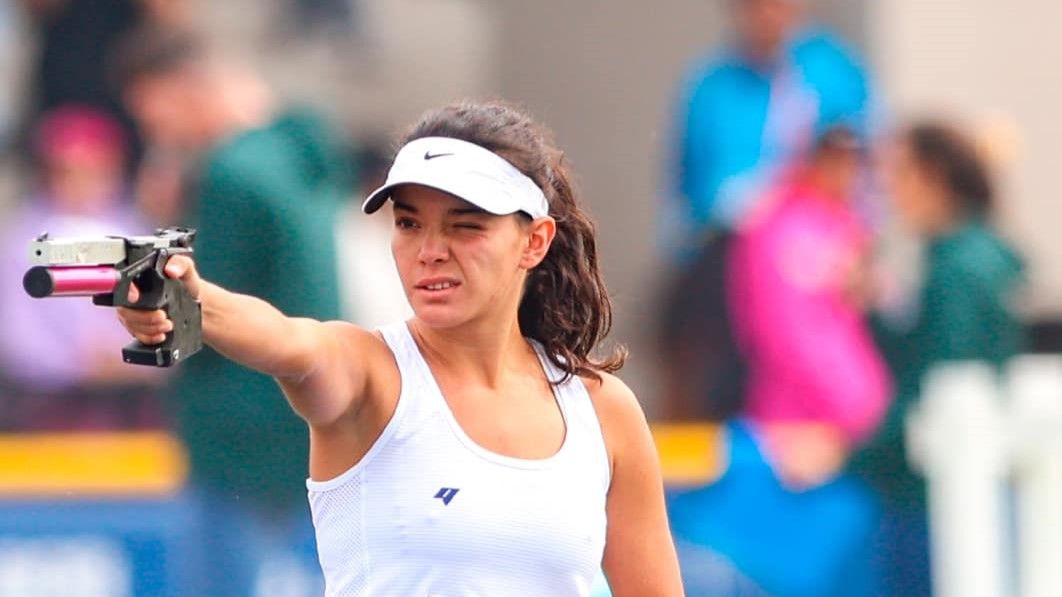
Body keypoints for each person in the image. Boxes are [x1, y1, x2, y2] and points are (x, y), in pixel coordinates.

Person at [117, 99, 684, 596]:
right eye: (410, 224)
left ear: (533, 241)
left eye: (465, 226)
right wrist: (188, 296)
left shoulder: (603, 410)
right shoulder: (370, 374)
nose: (430, 250)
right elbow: (287, 340)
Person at [113, 26, 352, 594]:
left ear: (181, 90)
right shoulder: (300, 157)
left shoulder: (229, 174)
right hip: (312, 411)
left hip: (234, 430)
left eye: (153, 118)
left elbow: (192, 310)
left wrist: (155, 240)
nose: (157, 137)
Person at [668, 127, 888, 597]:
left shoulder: (846, 226)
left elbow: (852, 333)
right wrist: (854, 415)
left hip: (848, 424)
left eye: (855, 163)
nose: (846, 173)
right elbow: (784, 335)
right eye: (836, 160)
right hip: (793, 426)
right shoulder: (782, 228)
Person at [850, 122, 1025, 597]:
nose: (888, 189)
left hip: (935, 496)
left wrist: (849, 457)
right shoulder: (971, 258)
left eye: (898, 173)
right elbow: (924, 356)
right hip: (956, 485)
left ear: (934, 176)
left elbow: (938, 383)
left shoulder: (960, 271)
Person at [0, 104, 160, 431]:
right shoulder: (23, 241)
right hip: (51, 402)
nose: (84, 182)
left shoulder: (140, 231)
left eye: (96, 170)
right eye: (70, 171)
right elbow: (18, 334)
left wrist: (132, 357)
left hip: (135, 400)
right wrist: (79, 363)